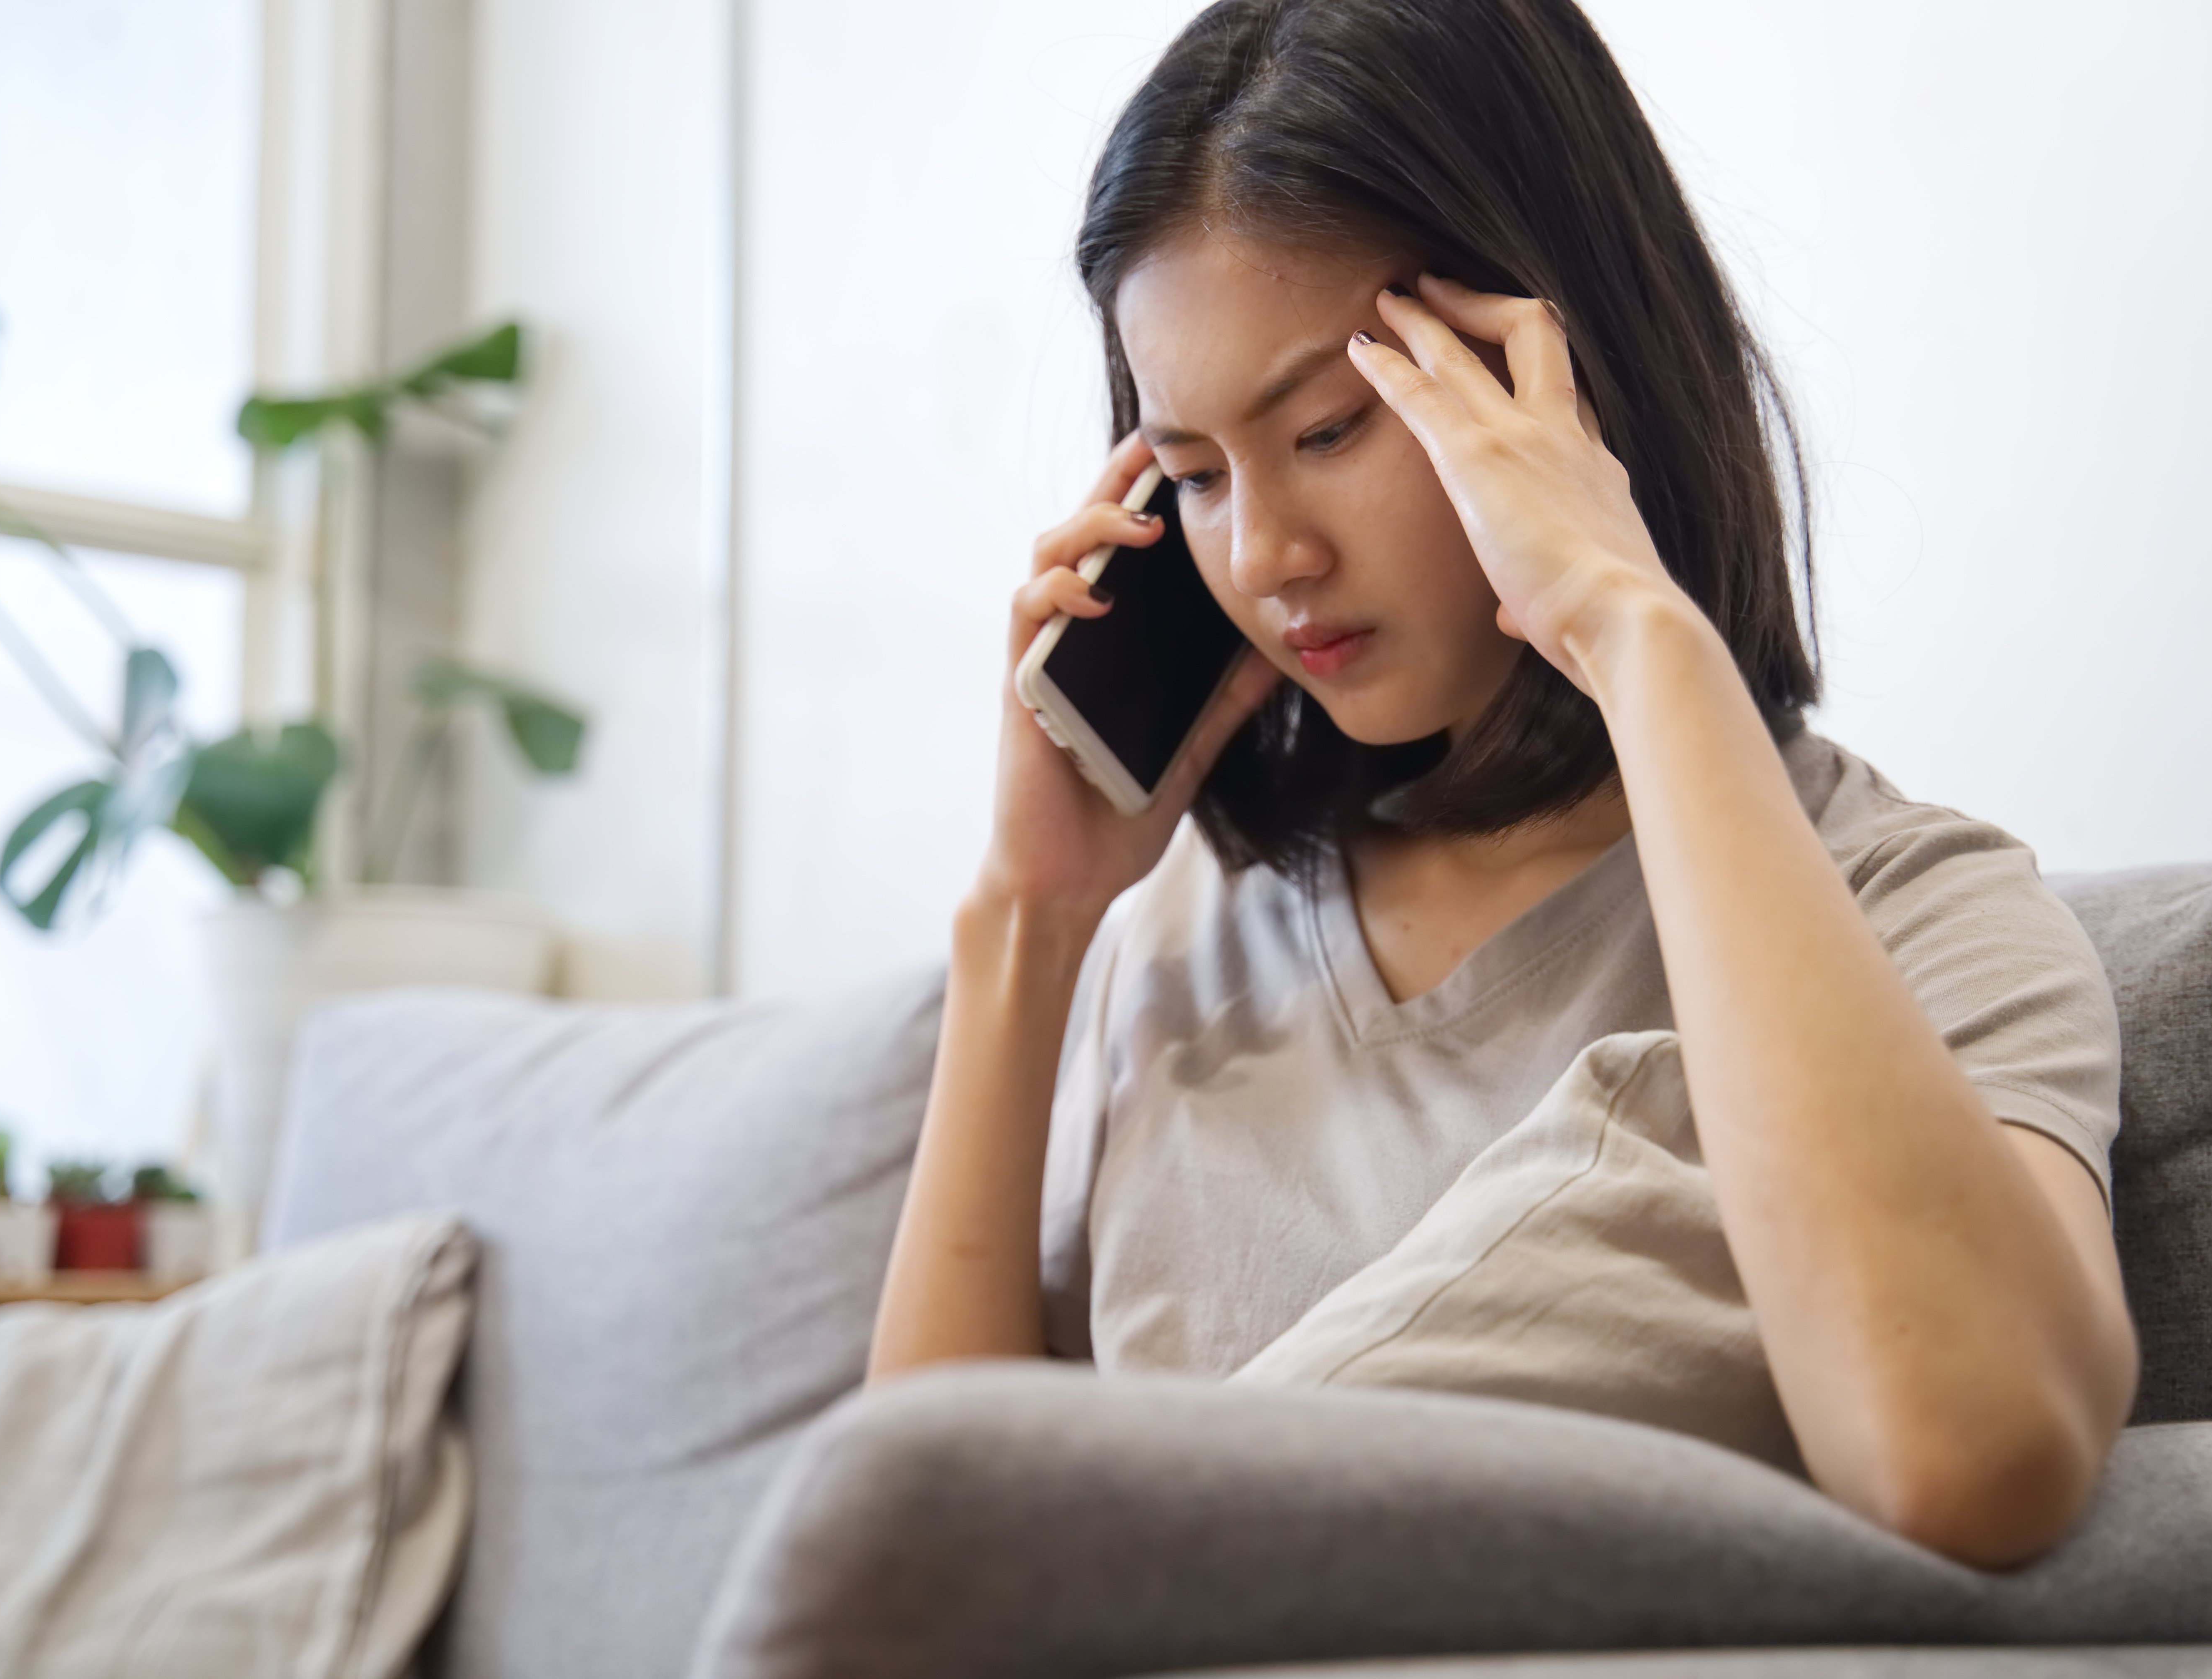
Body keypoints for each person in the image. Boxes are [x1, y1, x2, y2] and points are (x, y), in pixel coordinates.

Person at [867, 0, 2136, 1570]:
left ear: (1562, 380)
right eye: (1192, 474)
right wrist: (1029, 920)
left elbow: (1968, 1460)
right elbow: (914, 1565)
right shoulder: (1178, 945)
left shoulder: (1921, 912)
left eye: (1330, 426)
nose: (1265, 557)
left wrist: (1633, 624)